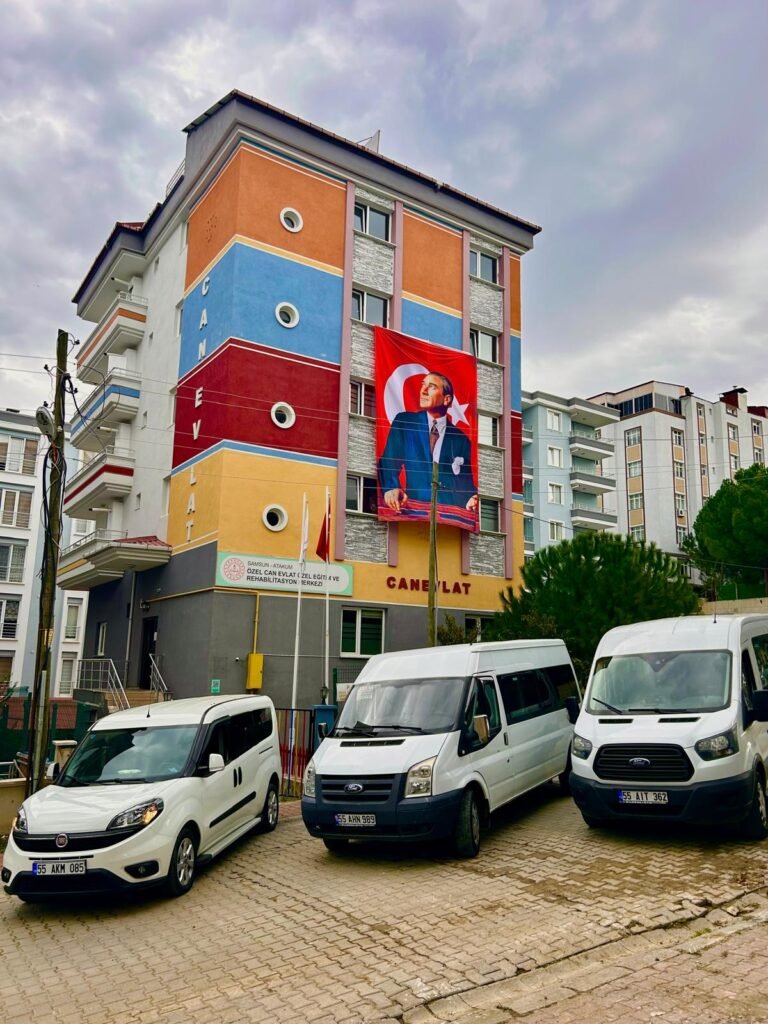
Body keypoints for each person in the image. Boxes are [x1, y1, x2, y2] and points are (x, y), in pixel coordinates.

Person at [378, 371, 478, 513]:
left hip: (447, 515)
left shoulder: (461, 439)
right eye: (423, 385)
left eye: (431, 387)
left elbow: (465, 483)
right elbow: (388, 461)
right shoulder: (405, 422)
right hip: (413, 511)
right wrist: (391, 487)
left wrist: (470, 499)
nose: (423, 391)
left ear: (446, 399)